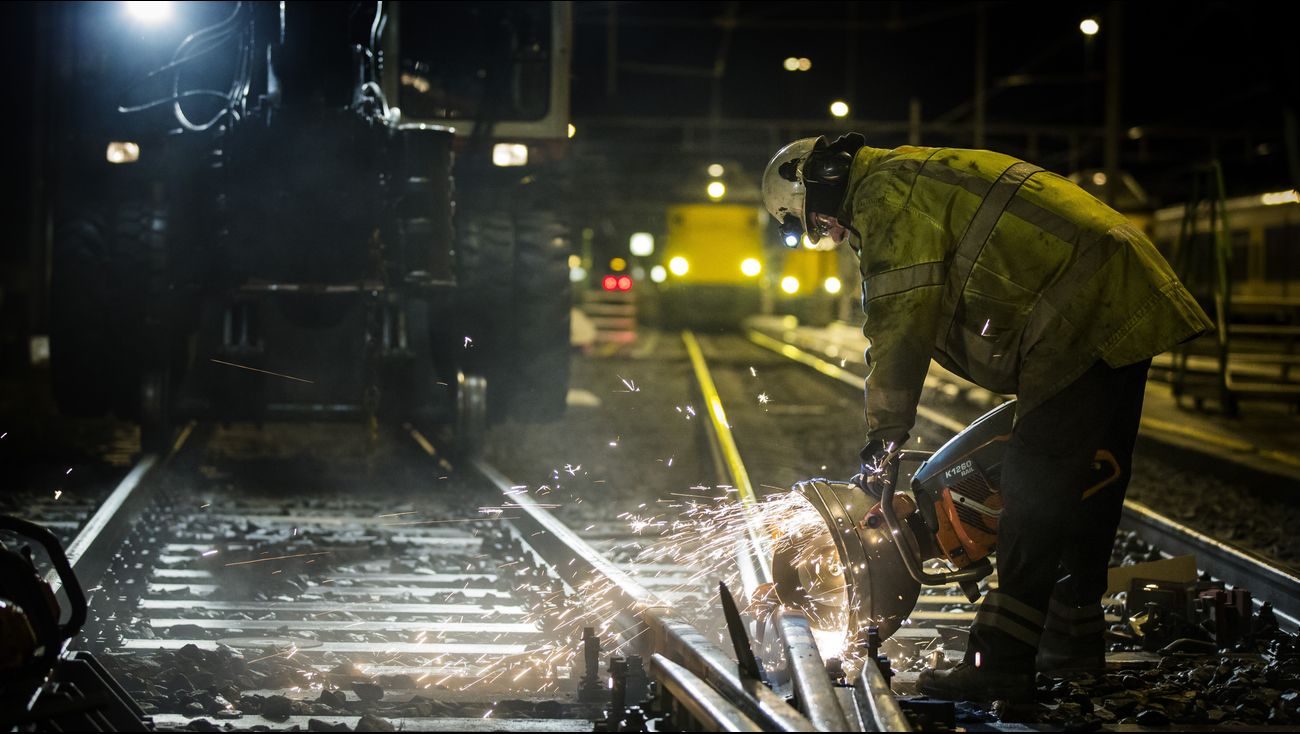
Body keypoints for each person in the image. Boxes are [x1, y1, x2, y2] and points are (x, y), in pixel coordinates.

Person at [761, 135, 1212, 701]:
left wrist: (883, 442)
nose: (832, 232)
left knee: (1036, 483)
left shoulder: (883, 197)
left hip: (1081, 305)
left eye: (821, 221)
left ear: (822, 182)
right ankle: (1071, 638)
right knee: (1093, 478)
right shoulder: (907, 173)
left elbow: (900, 325)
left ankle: (1001, 659)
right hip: (1116, 288)